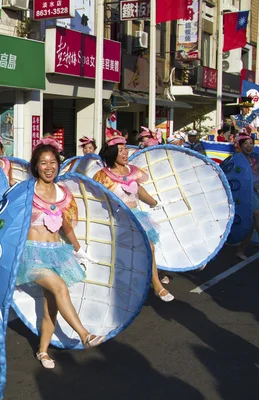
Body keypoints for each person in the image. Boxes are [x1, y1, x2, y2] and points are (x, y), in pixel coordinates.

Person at [22, 137, 105, 369]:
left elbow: (66, 225)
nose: (49, 167)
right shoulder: (26, 192)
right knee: (60, 287)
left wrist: (79, 250)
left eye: (53, 162)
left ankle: (42, 352)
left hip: (57, 252)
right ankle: (84, 334)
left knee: (51, 308)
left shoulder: (62, 192)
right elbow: (9, 223)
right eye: (43, 163)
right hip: (33, 255)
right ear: (35, 166)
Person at [93, 131, 174, 303]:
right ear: (112, 152)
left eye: (125, 149)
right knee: (124, 256)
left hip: (137, 217)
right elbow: (97, 199)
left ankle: (156, 285)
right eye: (121, 150)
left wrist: (154, 202)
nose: (125, 153)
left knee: (149, 247)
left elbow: (139, 190)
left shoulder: (133, 171)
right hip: (118, 221)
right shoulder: (102, 175)